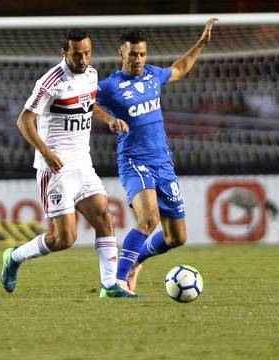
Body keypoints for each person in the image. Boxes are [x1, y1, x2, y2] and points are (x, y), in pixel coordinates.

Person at [0, 29, 135, 298]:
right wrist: (46, 152)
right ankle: (14, 257)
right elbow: (23, 121)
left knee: (105, 217)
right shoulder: (50, 81)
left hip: (83, 163)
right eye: (77, 54)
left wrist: (107, 119)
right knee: (65, 239)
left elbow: (88, 104)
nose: (83, 59)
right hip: (56, 168)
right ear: (64, 53)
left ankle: (110, 286)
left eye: (87, 53)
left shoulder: (91, 74)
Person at [96, 18, 217, 292]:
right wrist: (109, 120)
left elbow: (180, 68)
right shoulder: (110, 86)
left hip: (163, 163)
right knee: (148, 219)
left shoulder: (153, 75)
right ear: (121, 54)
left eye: (142, 54)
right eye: (132, 54)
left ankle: (135, 260)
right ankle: (114, 282)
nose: (138, 59)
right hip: (133, 161)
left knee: (177, 237)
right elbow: (88, 102)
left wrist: (201, 43)